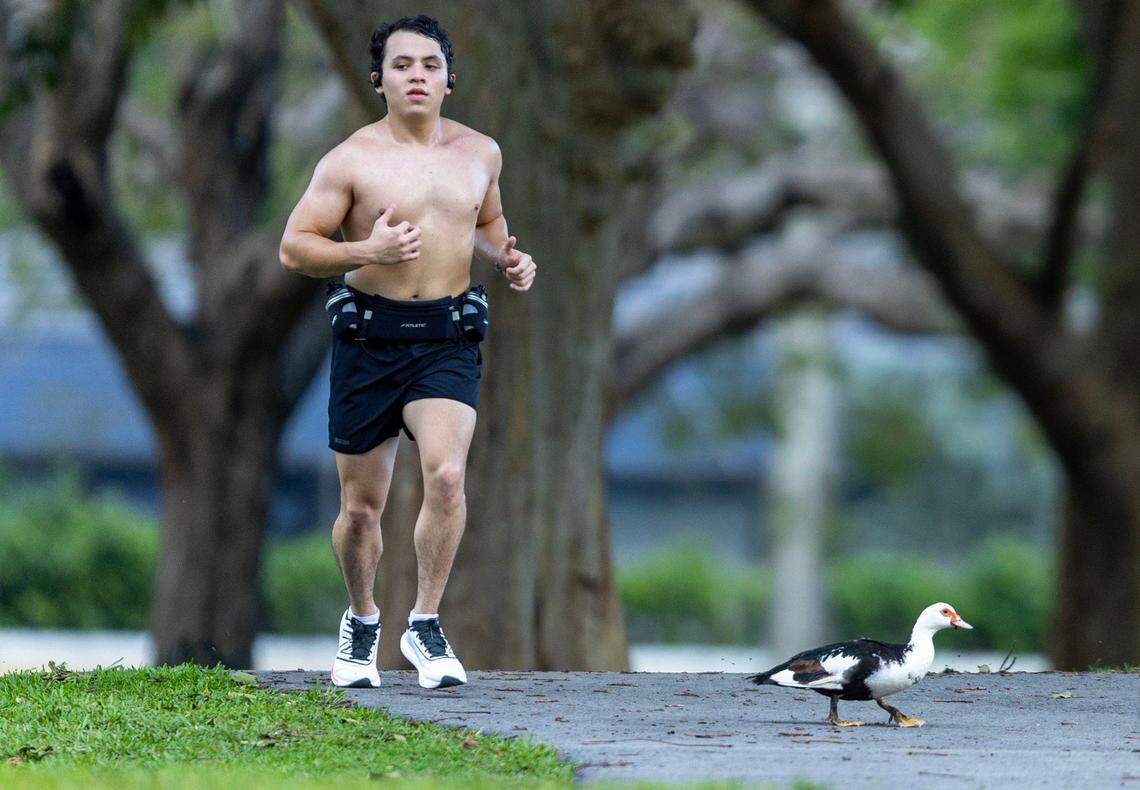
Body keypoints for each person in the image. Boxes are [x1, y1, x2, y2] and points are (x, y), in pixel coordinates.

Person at [278, 14, 536, 690]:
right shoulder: (349, 160)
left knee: (446, 476)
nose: (416, 75)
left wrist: (506, 256)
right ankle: (362, 620)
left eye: (429, 64)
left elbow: (485, 221)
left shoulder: (482, 153)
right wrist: (368, 250)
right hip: (369, 337)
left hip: (447, 338)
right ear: (379, 81)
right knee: (362, 508)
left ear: (449, 80)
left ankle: (424, 624)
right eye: (401, 65)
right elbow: (295, 246)